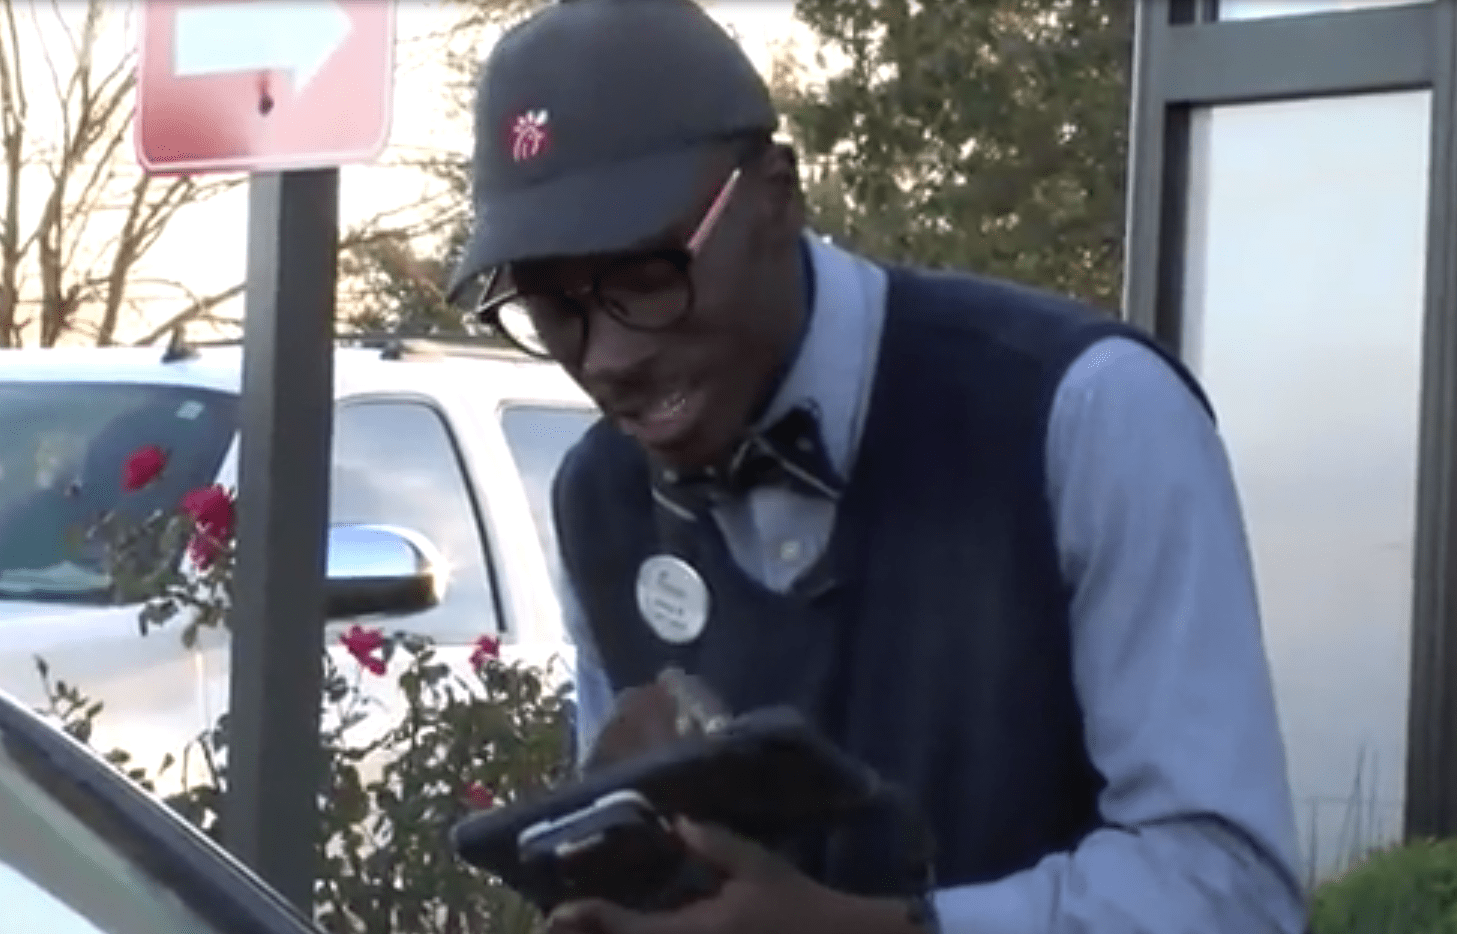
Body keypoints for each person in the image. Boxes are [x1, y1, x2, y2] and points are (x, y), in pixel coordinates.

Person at [446, 1, 1307, 931]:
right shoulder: (598, 496)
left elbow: (1229, 888)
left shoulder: (1085, 411)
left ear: (778, 194)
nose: (606, 356)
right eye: (550, 309)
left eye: (647, 277)